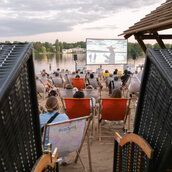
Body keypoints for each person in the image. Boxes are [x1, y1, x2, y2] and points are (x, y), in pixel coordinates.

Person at [40, 96, 69, 164]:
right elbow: (68, 132)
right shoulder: (64, 117)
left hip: (46, 148)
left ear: (45, 106)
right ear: (58, 107)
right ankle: (61, 157)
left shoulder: (40, 118)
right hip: (62, 147)